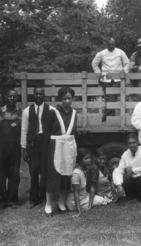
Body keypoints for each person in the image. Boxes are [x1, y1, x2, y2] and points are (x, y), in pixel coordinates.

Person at [44, 87, 78, 217]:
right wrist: (47, 151)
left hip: (69, 146)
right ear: (60, 99)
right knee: (54, 174)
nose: (67, 101)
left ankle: (61, 202)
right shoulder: (53, 112)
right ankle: (48, 204)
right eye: (64, 99)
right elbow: (47, 133)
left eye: (69, 98)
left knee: (67, 174)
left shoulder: (74, 113)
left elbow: (75, 132)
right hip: (56, 146)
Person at [21, 87, 54, 209]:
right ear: (33, 96)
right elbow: (24, 130)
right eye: (36, 94)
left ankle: (44, 197)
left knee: (45, 171)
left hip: (45, 143)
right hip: (33, 144)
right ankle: (33, 199)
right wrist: (24, 148)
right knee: (34, 172)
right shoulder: (27, 111)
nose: (39, 96)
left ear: (44, 95)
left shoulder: (51, 110)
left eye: (41, 94)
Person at [0, 89, 23, 210]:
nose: (12, 98)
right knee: (0, 175)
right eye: (9, 96)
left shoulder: (21, 113)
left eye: (14, 96)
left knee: (14, 174)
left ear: (17, 98)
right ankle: (1, 200)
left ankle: (13, 199)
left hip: (15, 148)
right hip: (0, 148)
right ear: (6, 97)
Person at [66, 148, 112, 218]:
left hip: (83, 196)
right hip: (75, 202)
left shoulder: (84, 169)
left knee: (97, 197)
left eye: (90, 158)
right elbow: (76, 193)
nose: (89, 160)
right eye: (86, 158)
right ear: (80, 160)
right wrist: (79, 212)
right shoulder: (76, 173)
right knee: (103, 200)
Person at [113, 134, 141, 201]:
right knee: (121, 177)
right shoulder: (125, 154)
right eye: (130, 143)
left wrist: (132, 170)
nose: (132, 145)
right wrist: (118, 185)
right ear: (127, 144)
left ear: (137, 142)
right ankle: (129, 195)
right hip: (132, 178)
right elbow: (119, 170)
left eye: (134, 142)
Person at [91, 38, 130, 116]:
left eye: (113, 44)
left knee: (113, 95)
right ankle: (111, 118)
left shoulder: (120, 52)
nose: (111, 46)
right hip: (106, 77)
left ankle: (106, 116)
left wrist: (124, 72)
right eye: (109, 44)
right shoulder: (101, 53)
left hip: (117, 78)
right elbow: (94, 63)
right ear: (107, 45)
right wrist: (99, 74)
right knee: (108, 97)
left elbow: (127, 63)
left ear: (115, 44)